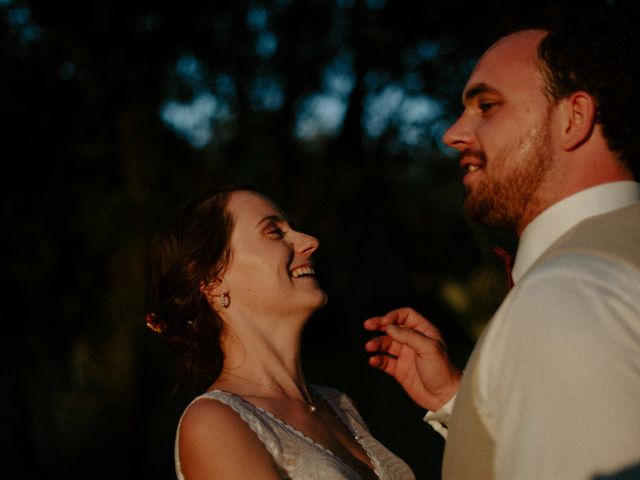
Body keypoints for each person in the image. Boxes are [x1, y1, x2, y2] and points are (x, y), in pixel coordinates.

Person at [364, 7, 640, 480]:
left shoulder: (566, 297)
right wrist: (465, 400)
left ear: (574, 117)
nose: (453, 134)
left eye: (486, 106)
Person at [146, 185, 416, 480]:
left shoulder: (339, 405)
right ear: (212, 279)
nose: (310, 241)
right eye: (274, 232)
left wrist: (447, 398)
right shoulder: (216, 422)